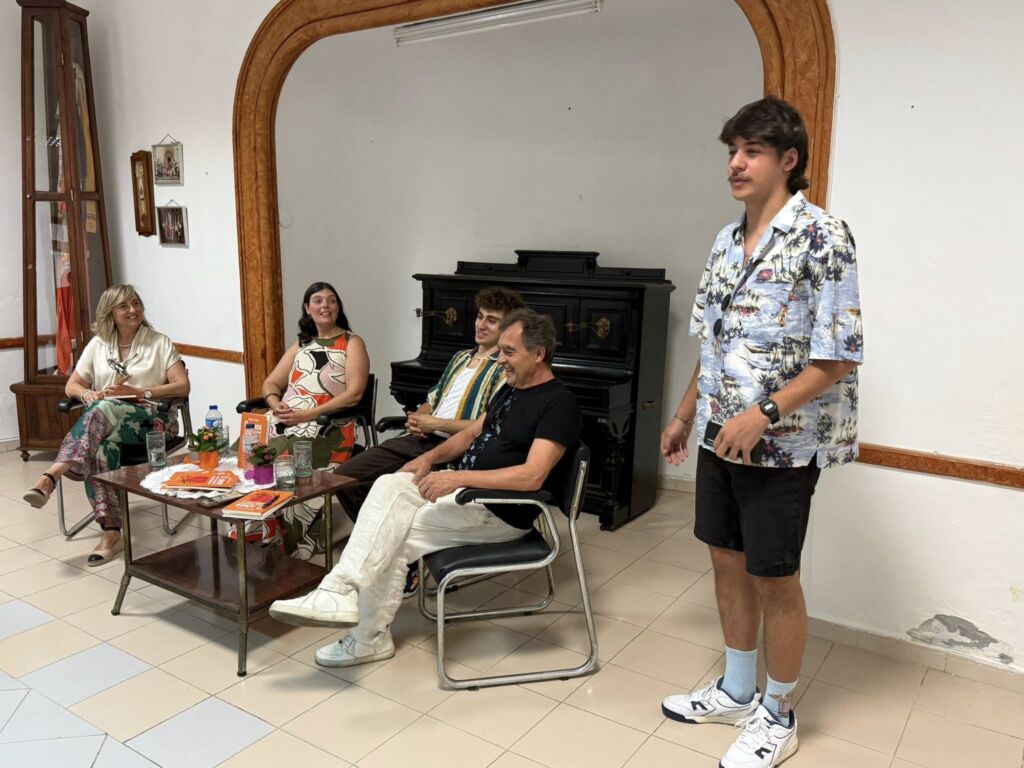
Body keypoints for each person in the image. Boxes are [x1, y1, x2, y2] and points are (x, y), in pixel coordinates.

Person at [658, 97, 863, 768]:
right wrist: (685, 414)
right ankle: (737, 690)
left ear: (788, 159)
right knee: (724, 560)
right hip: (718, 435)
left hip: (782, 446)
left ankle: (778, 714)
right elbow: (712, 342)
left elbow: (839, 356)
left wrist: (764, 413)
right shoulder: (725, 240)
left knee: (774, 577)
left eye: (752, 151)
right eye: (732, 151)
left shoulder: (823, 236)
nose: (736, 164)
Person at [268, 308, 582, 670]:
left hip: (499, 510)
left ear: (539, 354)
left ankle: (366, 636)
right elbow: (470, 433)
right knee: (389, 483)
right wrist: (429, 459)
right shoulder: (512, 390)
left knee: (394, 532)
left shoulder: (558, 404)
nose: (500, 360)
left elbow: (532, 476)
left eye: (509, 352)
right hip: (466, 495)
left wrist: (459, 478)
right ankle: (338, 591)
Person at [332, 286, 524, 593]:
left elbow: (484, 428)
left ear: (507, 328)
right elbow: (432, 398)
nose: (481, 324)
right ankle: (392, 555)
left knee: (394, 490)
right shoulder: (460, 358)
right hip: (418, 439)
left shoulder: (503, 369)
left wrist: (436, 423)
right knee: (344, 478)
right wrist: (419, 417)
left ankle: (402, 565)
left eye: (492, 320)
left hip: (451, 450)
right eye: (479, 316)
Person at [22, 284, 191, 565]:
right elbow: (72, 385)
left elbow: (182, 386)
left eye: (136, 303)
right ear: (110, 312)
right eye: (124, 306)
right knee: (101, 450)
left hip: (154, 422)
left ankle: (52, 474)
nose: (133, 310)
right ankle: (111, 532)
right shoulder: (99, 345)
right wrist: (86, 394)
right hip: (107, 424)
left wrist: (141, 392)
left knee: (104, 408)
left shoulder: (159, 342)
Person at [259, 281, 369, 555]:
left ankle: (289, 539)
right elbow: (270, 382)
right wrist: (275, 404)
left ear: (338, 307)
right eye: (318, 301)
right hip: (287, 419)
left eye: (331, 300)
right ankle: (256, 529)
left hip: (328, 425)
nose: (325, 305)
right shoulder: (302, 343)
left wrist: (307, 415)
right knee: (250, 450)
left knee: (290, 454)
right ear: (307, 309)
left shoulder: (352, 342)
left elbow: (354, 394)